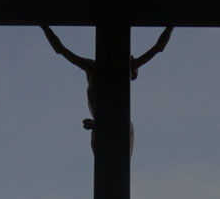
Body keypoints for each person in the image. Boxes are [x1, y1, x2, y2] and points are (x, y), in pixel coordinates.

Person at [40, 24, 173, 153]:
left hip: (115, 127)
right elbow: (61, 50)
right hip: (106, 127)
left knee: (123, 131)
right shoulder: (95, 68)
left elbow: (158, 48)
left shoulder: (98, 68)